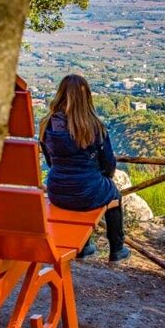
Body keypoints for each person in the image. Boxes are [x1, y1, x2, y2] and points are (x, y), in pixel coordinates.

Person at [39, 74, 130, 265]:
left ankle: (83, 247)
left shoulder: (46, 125)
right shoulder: (94, 126)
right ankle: (117, 249)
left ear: (60, 95)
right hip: (87, 190)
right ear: (86, 97)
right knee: (114, 196)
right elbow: (108, 163)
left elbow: (50, 161)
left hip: (57, 191)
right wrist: (104, 176)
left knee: (82, 190)